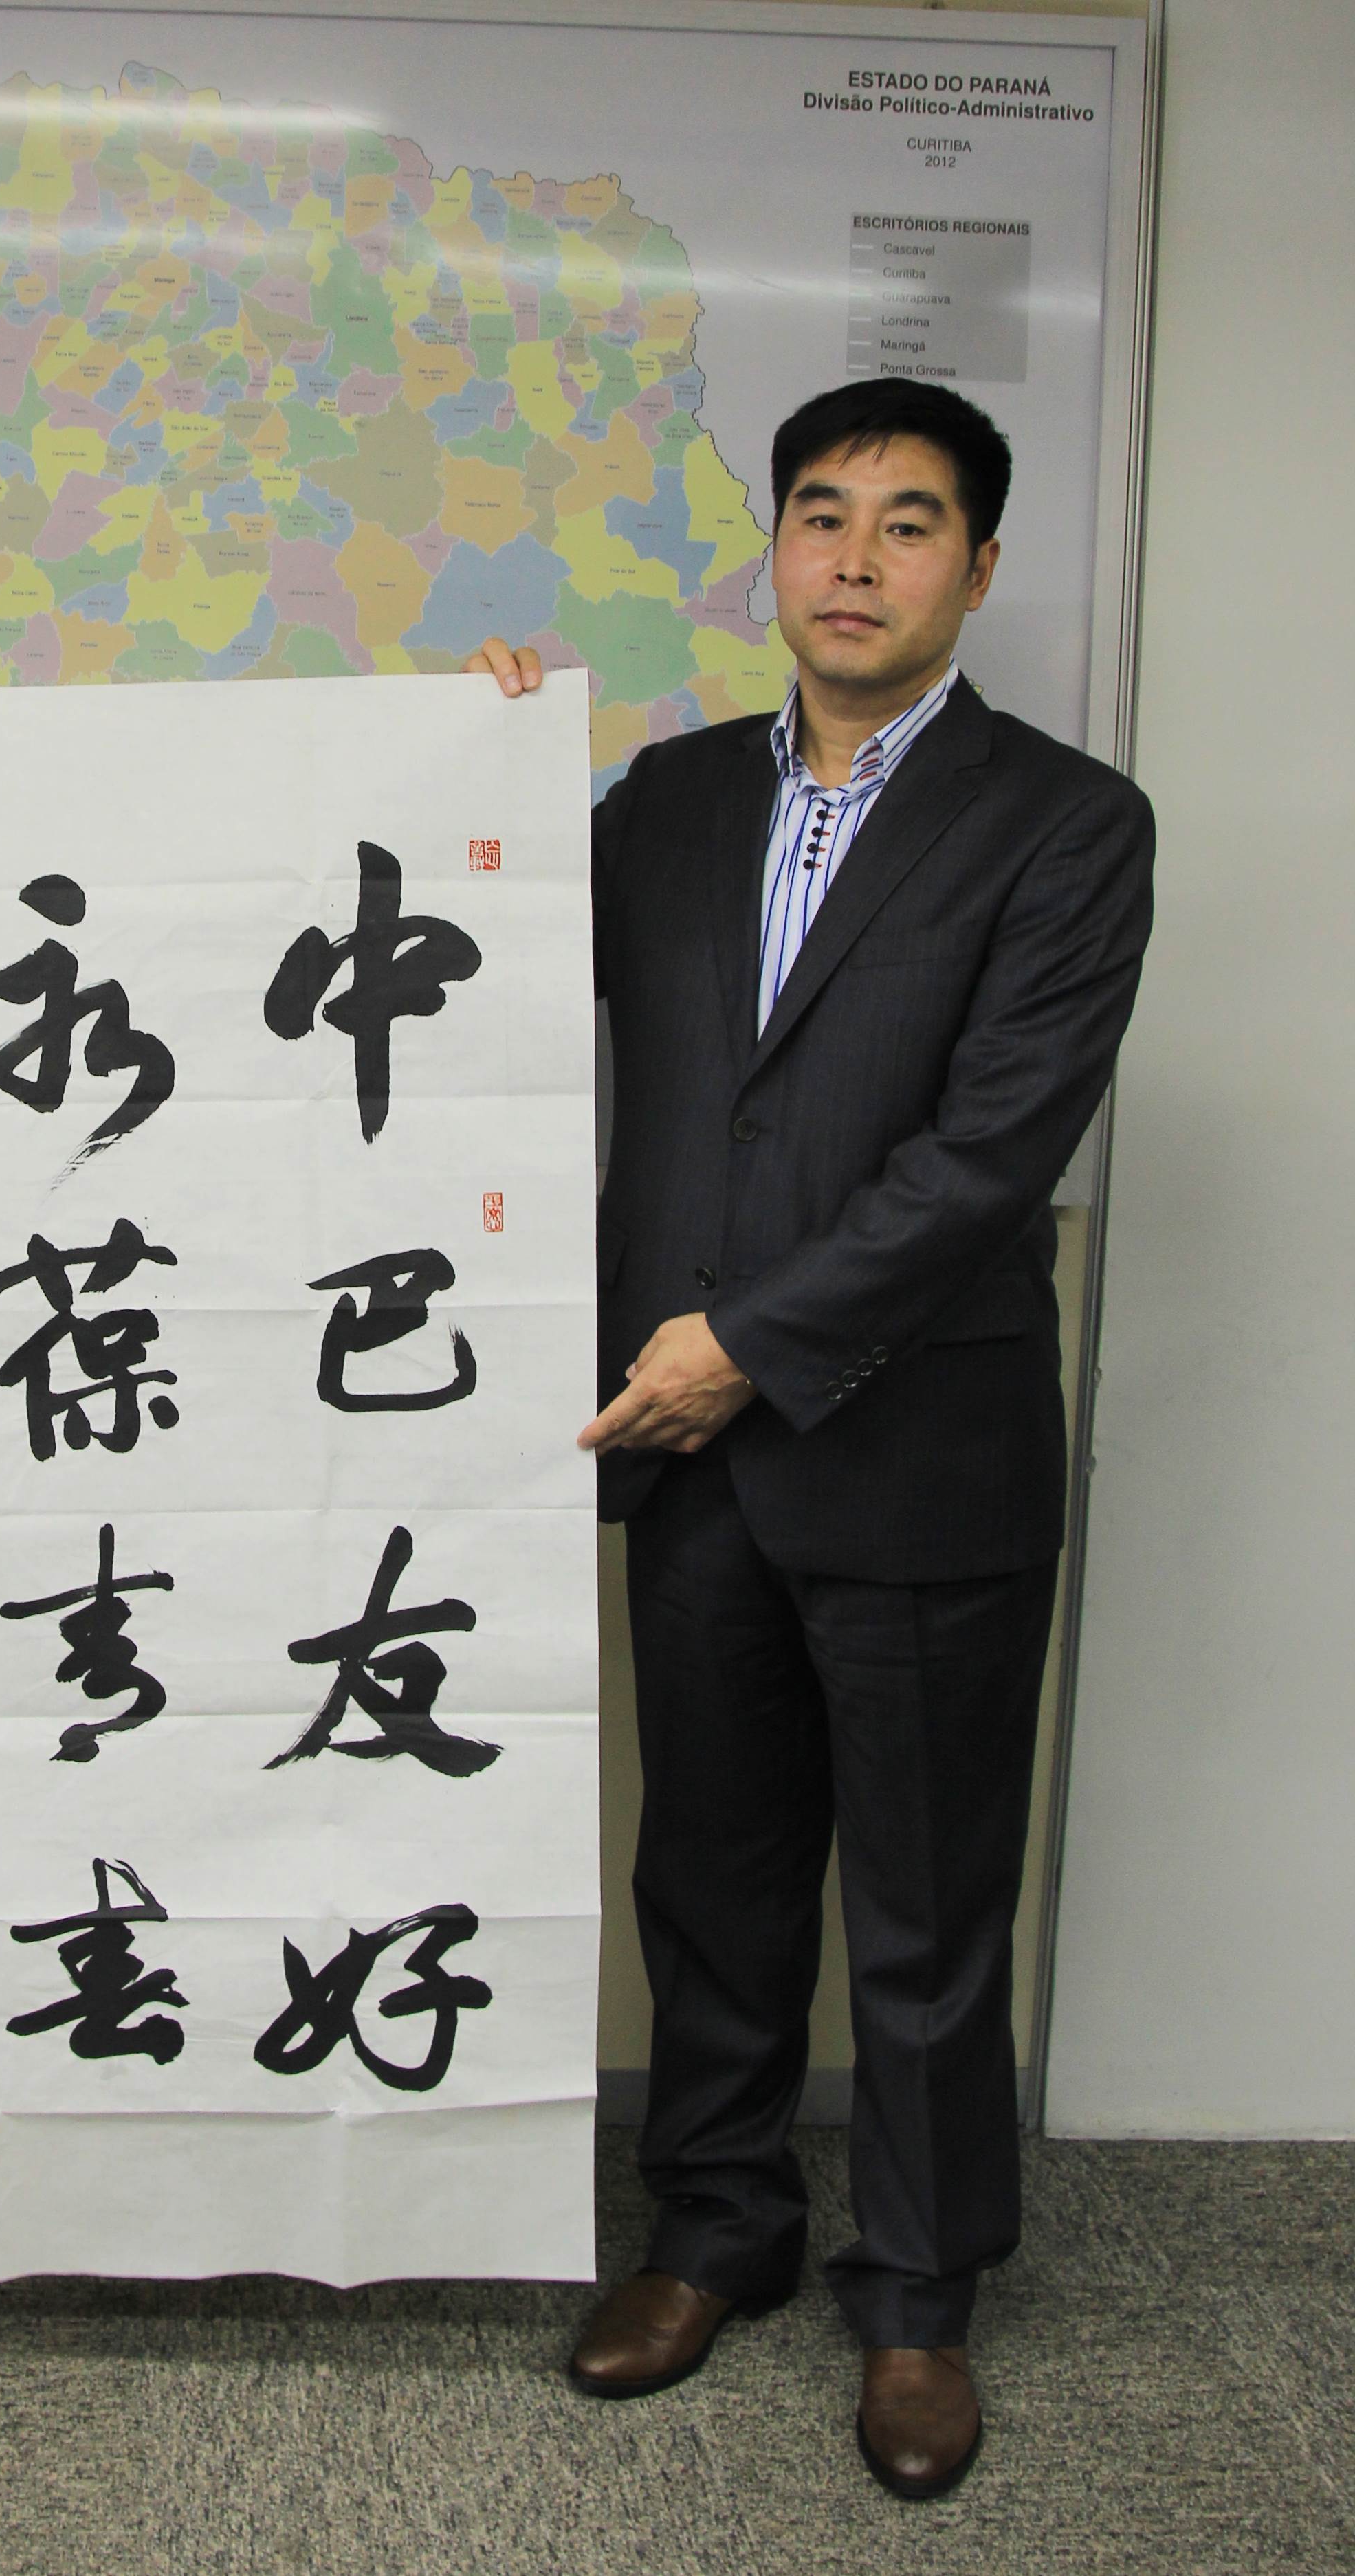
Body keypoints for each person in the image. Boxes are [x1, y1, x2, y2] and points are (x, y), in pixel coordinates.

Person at [470, 378, 1154, 2498]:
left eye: (909, 522)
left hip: (914, 1447)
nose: (855, 559)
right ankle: (715, 2227)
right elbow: (474, 952)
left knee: (928, 1911)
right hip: (686, 1457)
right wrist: (472, 765)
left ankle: (923, 2292)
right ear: (771, 547)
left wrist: (745, 1348)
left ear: (980, 565)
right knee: (715, 1872)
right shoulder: (669, 797)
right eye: (822, 514)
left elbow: (986, 1157)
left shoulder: (1069, 824)